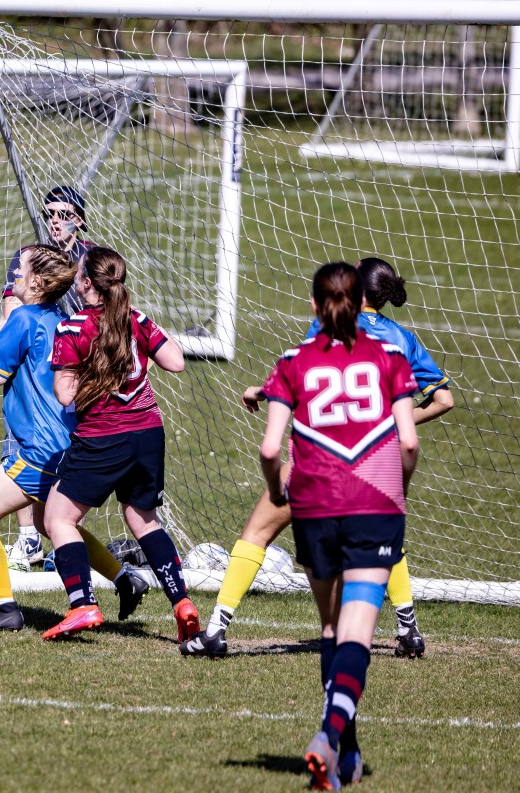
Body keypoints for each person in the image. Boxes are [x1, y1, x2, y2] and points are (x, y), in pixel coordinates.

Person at [182, 256, 454, 661]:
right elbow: (444, 399)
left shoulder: (326, 327)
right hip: (372, 462)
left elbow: (306, 376)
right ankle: (408, 629)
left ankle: (216, 631)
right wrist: (393, 422)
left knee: (257, 532)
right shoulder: (401, 341)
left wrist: (260, 391)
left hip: (317, 461)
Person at [253, 262, 420, 790]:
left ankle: (346, 753)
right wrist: (398, 488)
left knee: (331, 629)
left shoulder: (291, 361)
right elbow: (408, 442)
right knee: (357, 634)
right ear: (361, 303)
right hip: (375, 505)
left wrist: (277, 490)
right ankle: (329, 735)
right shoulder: (391, 356)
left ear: (314, 305)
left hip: (315, 505)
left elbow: (271, 449)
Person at [0, 245, 149, 631]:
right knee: (54, 524)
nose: (14, 272)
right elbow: (12, 358)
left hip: (38, 449)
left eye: (21, 268)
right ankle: (124, 579)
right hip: (68, 441)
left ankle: (4, 606)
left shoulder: (23, 318)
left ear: (37, 282)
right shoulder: (61, 318)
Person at [43, 246, 198, 642]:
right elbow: (176, 361)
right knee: (144, 520)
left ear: (85, 284)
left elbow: (64, 394)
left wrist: (91, 375)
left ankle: (82, 604)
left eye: (78, 274)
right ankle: (182, 602)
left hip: (102, 436)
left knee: (59, 519)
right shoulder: (136, 319)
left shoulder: (73, 328)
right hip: (147, 433)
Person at [0, 185, 97, 567]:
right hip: (34, 366)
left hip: (75, 368)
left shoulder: (91, 258)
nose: (55, 221)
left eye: (64, 214)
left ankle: (63, 542)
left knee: (72, 455)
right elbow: (12, 305)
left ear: (80, 220)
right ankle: (28, 539)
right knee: (20, 445)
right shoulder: (29, 257)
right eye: (50, 214)